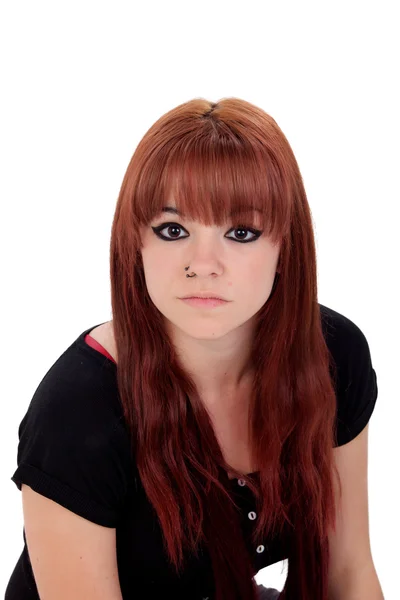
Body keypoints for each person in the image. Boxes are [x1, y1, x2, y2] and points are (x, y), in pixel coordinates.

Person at [5, 98, 379, 600]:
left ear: (284, 247)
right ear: (135, 244)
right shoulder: (78, 412)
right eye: (173, 230)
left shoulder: (334, 356)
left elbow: (349, 575)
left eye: (241, 232)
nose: (204, 264)